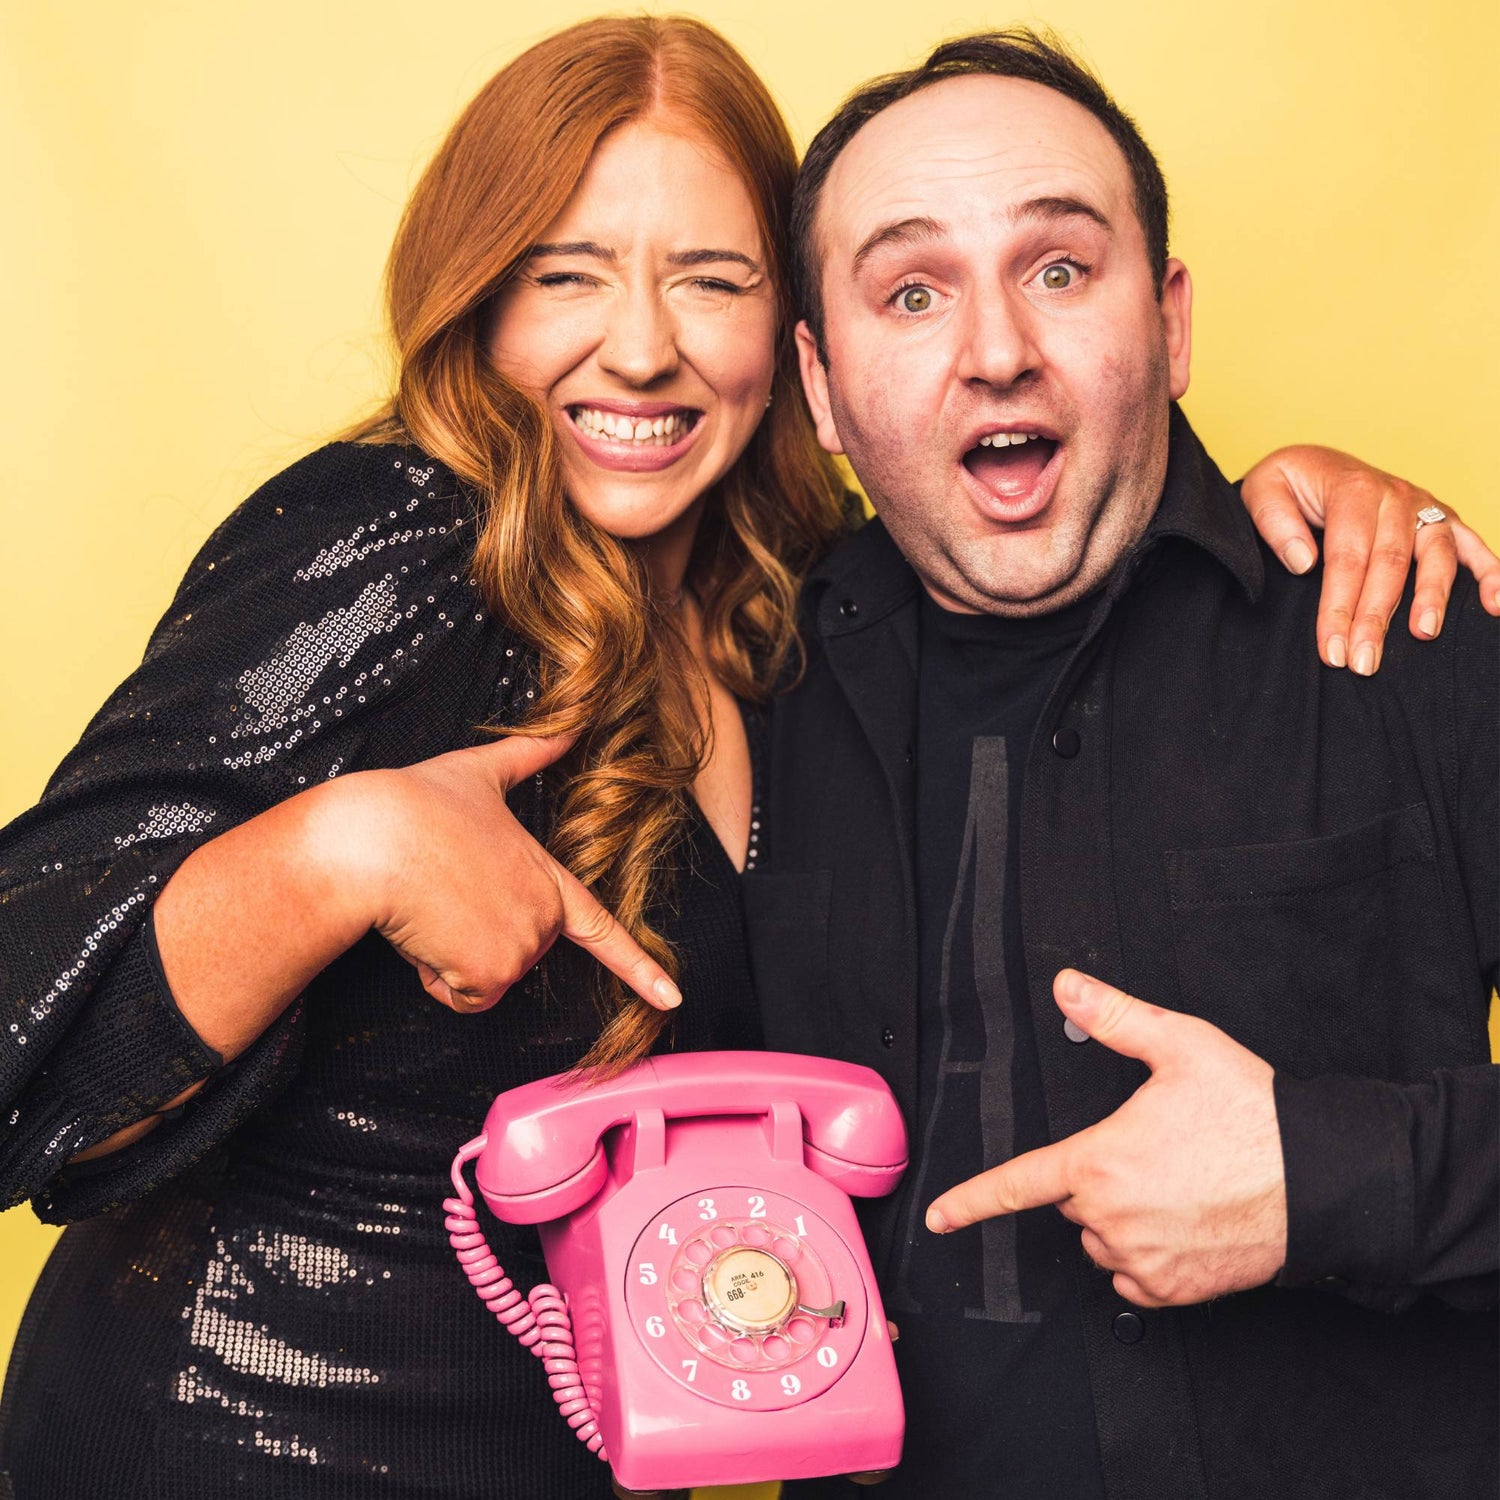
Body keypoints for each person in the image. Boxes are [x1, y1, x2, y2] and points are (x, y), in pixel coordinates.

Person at [0, 14, 1485, 1500]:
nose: (641, 346)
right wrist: (344, 851)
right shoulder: (438, 550)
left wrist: (1334, 1178)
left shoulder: (809, 631)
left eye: (707, 280)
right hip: (245, 1439)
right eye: (565, 274)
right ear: (831, 378)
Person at [747, 29, 1499, 1500]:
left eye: (1061, 269)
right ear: (823, 392)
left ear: (1170, 323)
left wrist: (1328, 1181)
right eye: (912, 291)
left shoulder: (1403, 628)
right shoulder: (740, 706)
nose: (997, 350)